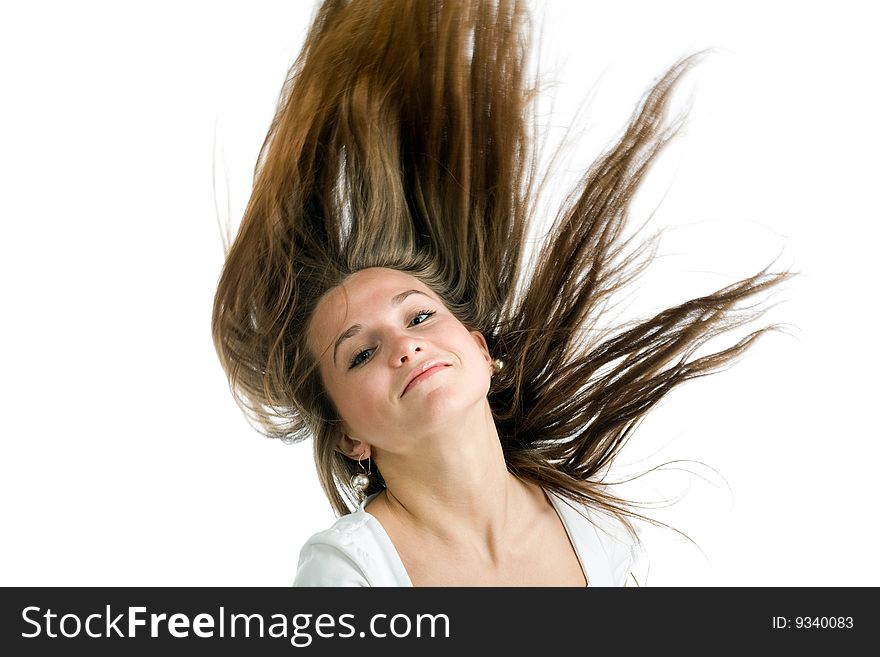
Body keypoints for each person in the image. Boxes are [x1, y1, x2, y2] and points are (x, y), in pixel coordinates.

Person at [211, 0, 792, 586]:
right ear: (347, 437)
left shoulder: (593, 531)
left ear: (482, 350)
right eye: (359, 353)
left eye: (418, 316)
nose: (404, 347)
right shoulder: (350, 570)